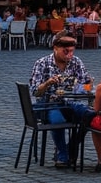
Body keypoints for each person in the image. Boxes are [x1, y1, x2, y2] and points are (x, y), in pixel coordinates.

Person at [29, 32, 94, 168]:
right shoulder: (42, 63)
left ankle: (71, 147)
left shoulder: (76, 62)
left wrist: (88, 85)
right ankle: (62, 154)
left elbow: (86, 86)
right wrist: (47, 83)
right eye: (66, 51)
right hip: (48, 103)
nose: (69, 55)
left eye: (71, 51)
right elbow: (35, 91)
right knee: (58, 120)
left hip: (71, 102)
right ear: (55, 48)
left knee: (90, 116)